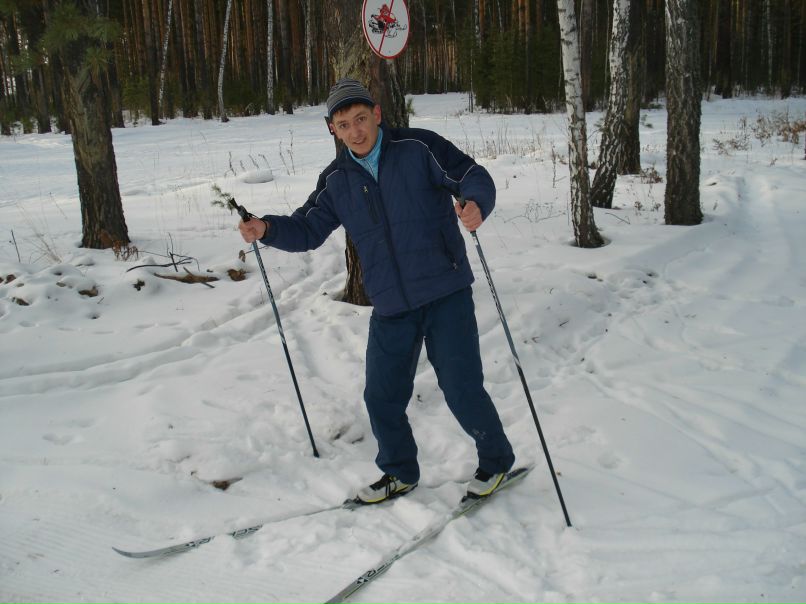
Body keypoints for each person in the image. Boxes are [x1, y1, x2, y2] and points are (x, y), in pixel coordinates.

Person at [239, 78, 515, 504]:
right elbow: (309, 228)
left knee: (461, 387)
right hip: (391, 304)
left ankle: (496, 461)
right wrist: (267, 229)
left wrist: (476, 202)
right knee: (381, 396)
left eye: (361, 119)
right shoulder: (336, 180)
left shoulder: (419, 148)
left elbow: (470, 175)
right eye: (344, 124)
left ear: (377, 114)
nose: (355, 131)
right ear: (332, 129)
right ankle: (400, 471)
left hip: (445, 291)